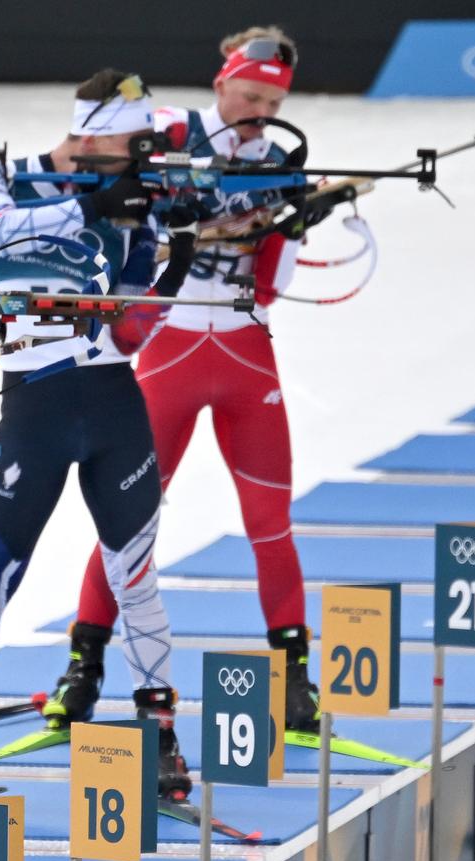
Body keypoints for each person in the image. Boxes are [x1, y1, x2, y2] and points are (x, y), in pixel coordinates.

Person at [0, 69, 199, 797]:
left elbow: (133, 330)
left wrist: (174, 258)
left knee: (135, 575)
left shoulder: (133, 196)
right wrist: (87, 212)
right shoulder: (1, 172)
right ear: (88, 131)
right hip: (35, 404)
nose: (137, 152)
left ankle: (160, 732)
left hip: (113, 400)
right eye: (127, 139)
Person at [60, 28, 325, 731]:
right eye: (248, 94)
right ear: (221, 83)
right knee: (129, 518)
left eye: (271, 101)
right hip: (169, 354)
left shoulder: (280, 160)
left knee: (270, 521)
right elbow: (89, 189)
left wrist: (291, 225)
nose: (257, 110)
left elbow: (271, 289)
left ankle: (295, 674)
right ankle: (82, 665)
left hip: (243, 355)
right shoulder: (166, 134)